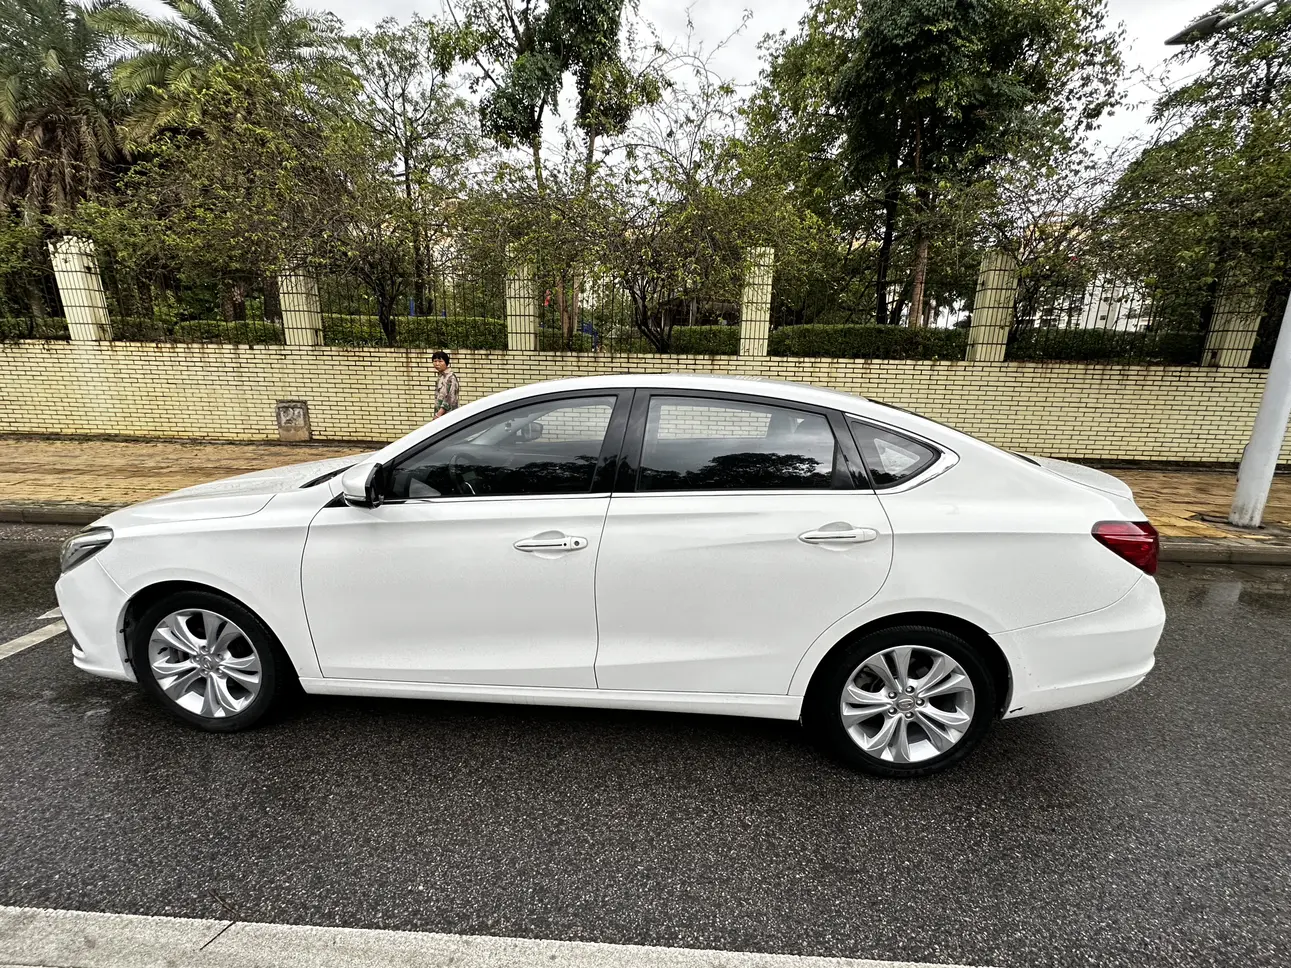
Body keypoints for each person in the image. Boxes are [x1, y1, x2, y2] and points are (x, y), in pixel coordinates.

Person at [431, 351, 460, 419]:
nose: (437, 364)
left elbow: (450, 399)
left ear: (446, 363)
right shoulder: (441, 376)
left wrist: (438, 415)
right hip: (441, 416)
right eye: (435, 361)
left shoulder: (451, 377)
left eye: (440, 361)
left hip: (449, 416)